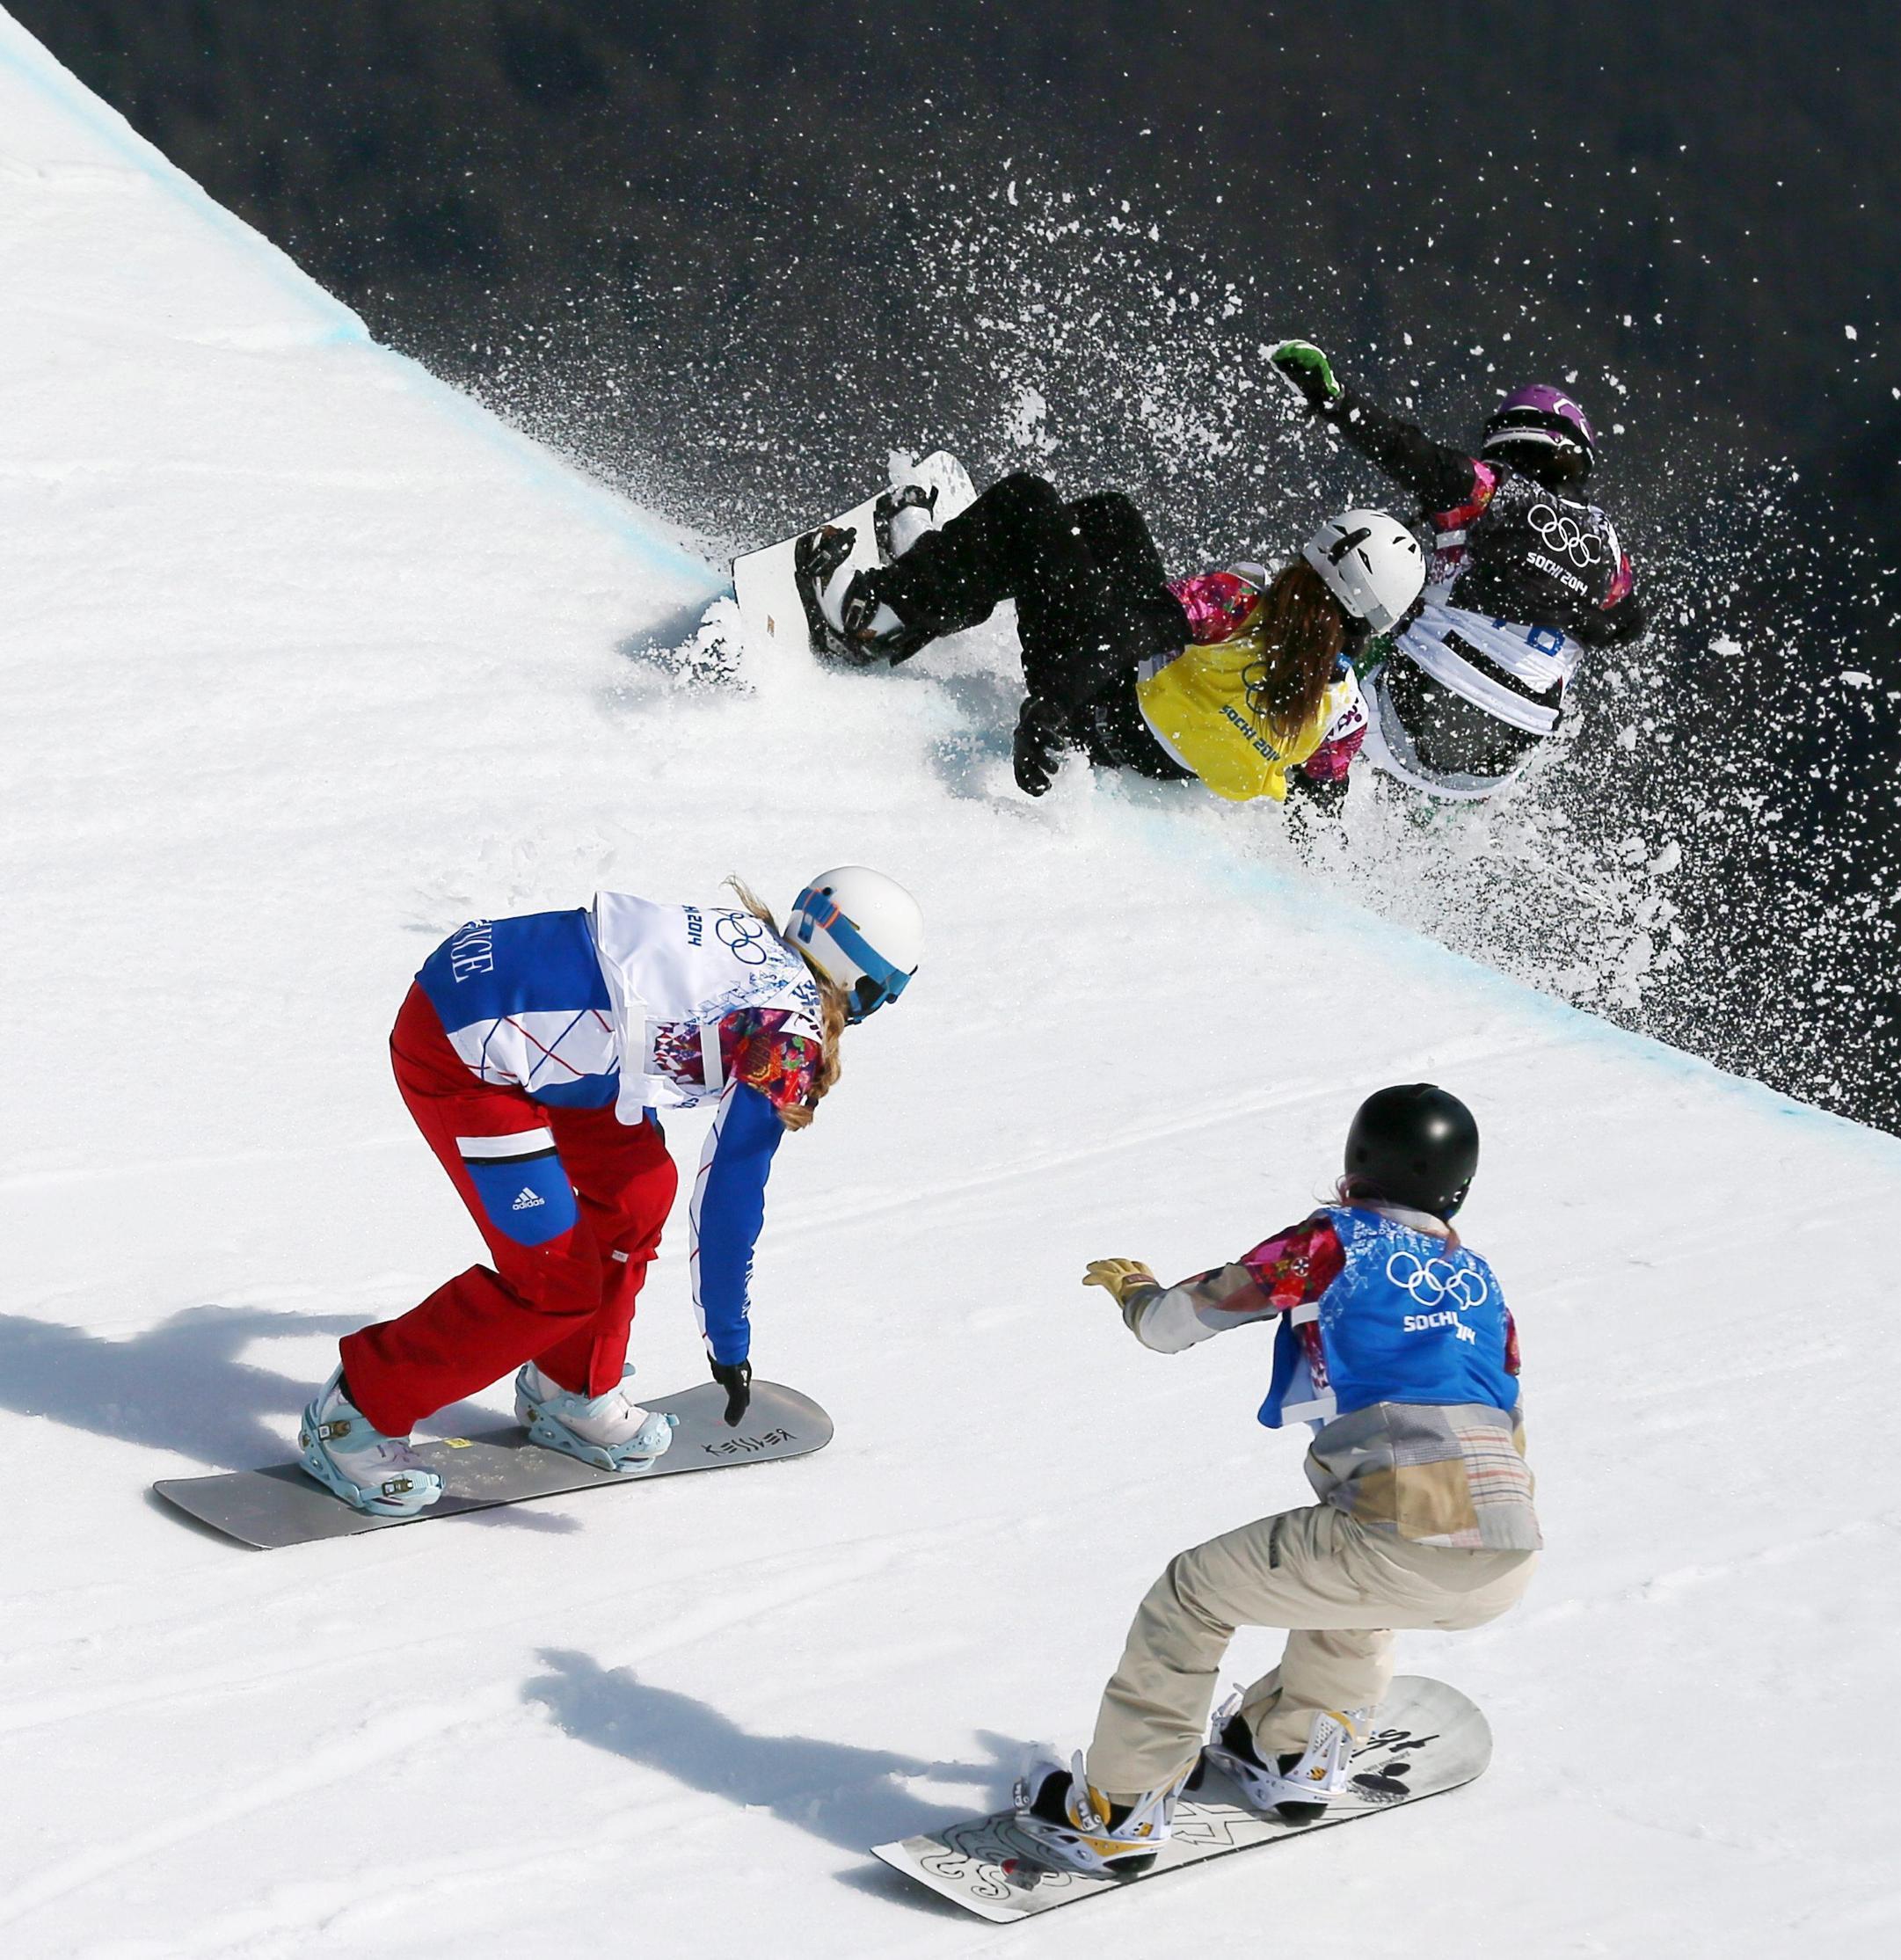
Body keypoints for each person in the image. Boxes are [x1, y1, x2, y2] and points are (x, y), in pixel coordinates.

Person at [1011, 1084, 1540, 1877]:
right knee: (1352, 1579)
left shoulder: (1338, 1241)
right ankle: (1292, 1752)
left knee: (1191, 1594)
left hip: (1400, 1524)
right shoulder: (1480, 1281)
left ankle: (1117, 1809)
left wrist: (1139, 1296)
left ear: (1359, 1157)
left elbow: (1176, 1323)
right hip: (1509, 1548)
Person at [295, 868, 925, 1517]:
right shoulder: (786, 1037)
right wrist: (728, 1342)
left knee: (638, 1192)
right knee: (555, 1282)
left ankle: (572, 1384)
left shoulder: (751, 942)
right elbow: (730, 1199)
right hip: (463, 1053)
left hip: (515, 1016)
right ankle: (356, 1413)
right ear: (865, 984)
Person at [796, 471, 1425, 803]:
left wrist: (1047, 712)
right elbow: (1318, 802)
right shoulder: (1344, 715)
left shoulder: (1243, 600)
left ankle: (883, 618)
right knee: (1109, 520)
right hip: (1143, 748)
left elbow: (1126, 633)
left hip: (1090, 701)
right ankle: (950, 571)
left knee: (1029, 504)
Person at [1266, 341, 1649, 801]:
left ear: (1508, 437)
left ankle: (1284, 763)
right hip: (1498, 766)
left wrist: (1336, 400)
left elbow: (1405, 450)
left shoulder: (1489, 489)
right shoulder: (1610, 549)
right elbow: (1627, 626)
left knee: (1354, 608)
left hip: (1397, 711)